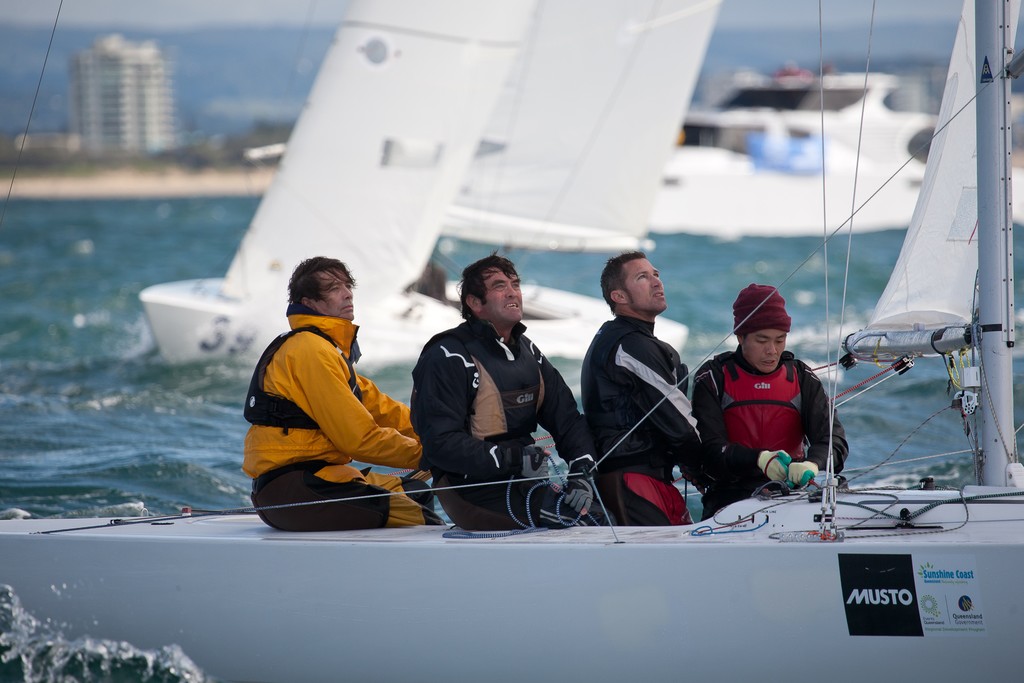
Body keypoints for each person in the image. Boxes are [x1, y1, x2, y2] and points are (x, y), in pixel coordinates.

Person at [242, 256, 443, 531]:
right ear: (309, 302)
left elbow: (381, 408)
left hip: (315, 478)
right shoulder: (310, 351)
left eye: (348, 285)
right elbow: (359, 439)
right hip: (292, 488)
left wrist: (442, 432)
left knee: (417, 492)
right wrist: (434, 453)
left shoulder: (326, 350)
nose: (348, 293)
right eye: (334, 288)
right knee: (415, 513)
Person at [411, 253, 606, 530]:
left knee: (600, 507)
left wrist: (582, 471)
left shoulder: (529, 353)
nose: (513, 292)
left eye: (515, 284)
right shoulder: (448, 355)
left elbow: (568, 420)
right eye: (500, 286)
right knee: (588, 521)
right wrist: (513, 460)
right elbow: (440, 443)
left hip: (524, 483)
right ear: (475, 303)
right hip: (471, 490)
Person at [691, 283, 848, 519]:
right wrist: (759, 459)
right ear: (740, 336)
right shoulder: (713, 377)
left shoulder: (802, 378)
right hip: (728, 502)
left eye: (780, 340)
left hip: (792, 500)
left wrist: (812, 464)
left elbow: (834, 441)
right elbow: (710, 451)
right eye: (762, 340)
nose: (772, 351)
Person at [581, 251, 704, 525]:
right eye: (642, 277)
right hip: (634, 480)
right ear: (619, 297)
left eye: (656, 275)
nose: (657, 282)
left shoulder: (623, 338)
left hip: (645, 478)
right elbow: (680, 424)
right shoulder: (631, 345)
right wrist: (709, 469)